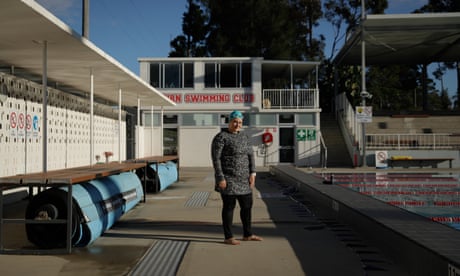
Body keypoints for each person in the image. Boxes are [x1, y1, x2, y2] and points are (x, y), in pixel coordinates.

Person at [211, 110, 263, 245]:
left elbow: (251, 156)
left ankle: (247, 234)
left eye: (239, 122)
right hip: (228, 179)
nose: (237, 124)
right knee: (229, 207)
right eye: (235, 121)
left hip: (244, 179)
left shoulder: (245, 137)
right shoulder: (221, 137)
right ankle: (228, 237)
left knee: (247, 207)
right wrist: (220, 177)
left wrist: (253, 173)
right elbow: (216, 159)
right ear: (229, 122)